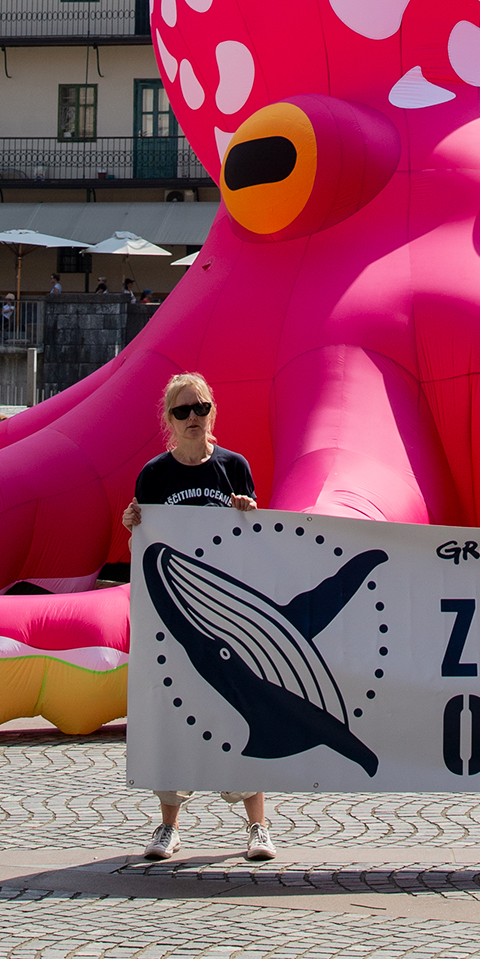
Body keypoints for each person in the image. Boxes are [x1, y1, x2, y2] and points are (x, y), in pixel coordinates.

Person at [122, 370, 276, 865]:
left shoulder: (234, 468)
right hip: (178, 618)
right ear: (168, 420)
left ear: (213, 412)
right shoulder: (155, 475)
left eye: (201, 408)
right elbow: (144, 544)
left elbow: (257, 541)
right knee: (172, 715)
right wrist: (131, 523)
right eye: (182, 411)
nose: (193, 418)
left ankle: (258, 825)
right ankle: (169, 827)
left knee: (246, 706)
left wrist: (250, 511)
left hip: (230, 618)